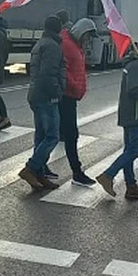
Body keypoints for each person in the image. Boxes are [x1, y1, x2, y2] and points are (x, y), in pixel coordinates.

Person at [95, 38, 138, 200]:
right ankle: (108, 175)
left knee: (129, 150)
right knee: (135, 150)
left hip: (129, 113)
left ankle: (131, 186)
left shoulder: (133, 64)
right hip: (135, 114)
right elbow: (134, 90)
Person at [19, 16, 67, 190]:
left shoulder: (41, 43)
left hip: (36, 94)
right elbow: (48, 73)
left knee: (40, 136)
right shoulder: (53, 46)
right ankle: (31, 168)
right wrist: (57, 92)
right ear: (59, 29)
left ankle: (39, 174)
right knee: (52, 136)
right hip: (46, 96)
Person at [59, 18, 97, 186]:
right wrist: (74, 86)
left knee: (55, 134)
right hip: (66, 95)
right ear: (81, 32)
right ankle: (77, 172)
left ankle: (39, 166)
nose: (88, 40)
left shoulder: (74, 44)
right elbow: (64, 70)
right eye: (87, 36)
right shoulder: (68, 45)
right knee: (70, 134)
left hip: (70, 95)